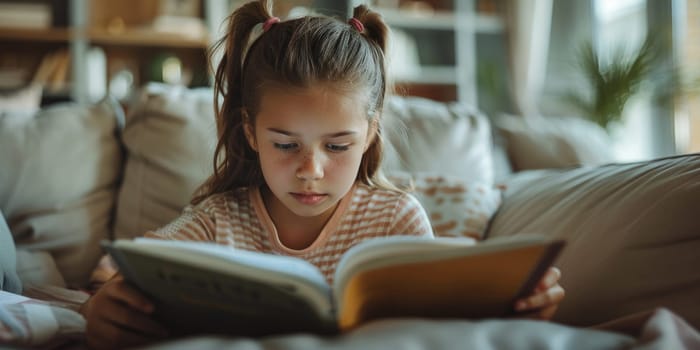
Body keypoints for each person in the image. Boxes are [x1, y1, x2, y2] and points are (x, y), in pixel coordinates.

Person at [79, 0, 564, 348]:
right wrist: (103, 310)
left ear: (371, 133)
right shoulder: (215, 222)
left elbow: (445, 325)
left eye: (337, 146)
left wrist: (515, 306)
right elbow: (119, 276)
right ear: (249, 131)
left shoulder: (397, 219)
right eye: (285, 145)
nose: (310, 170)